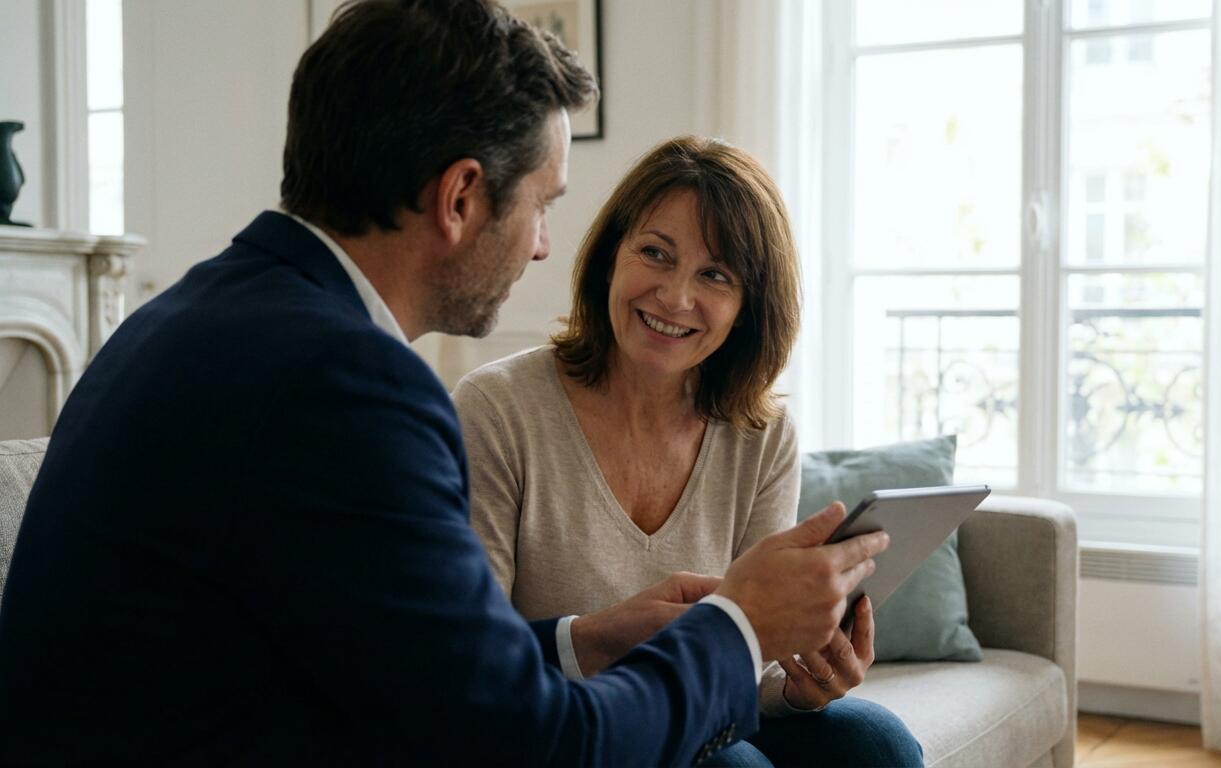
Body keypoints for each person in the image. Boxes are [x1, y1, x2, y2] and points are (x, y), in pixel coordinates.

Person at [0, 1, 890, 764]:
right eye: (542, 202)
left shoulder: (207, 313)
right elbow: (536, 751)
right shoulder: (349, 385)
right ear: (462, 198)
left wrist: (587, 640)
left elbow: (409, 657)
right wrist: (736, 627)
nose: (544, 244)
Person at [454, 136, 925, 767]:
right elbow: (462, 660)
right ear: (610, 259)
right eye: (655, 253)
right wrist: (601, 637)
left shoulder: (762, 435)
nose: (675, 298)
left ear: (746, 308)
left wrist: (801, 688)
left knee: (876, 743)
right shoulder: (497, 409)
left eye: (715, 275)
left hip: (702, 707)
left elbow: (750, 666)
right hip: (569, 728)